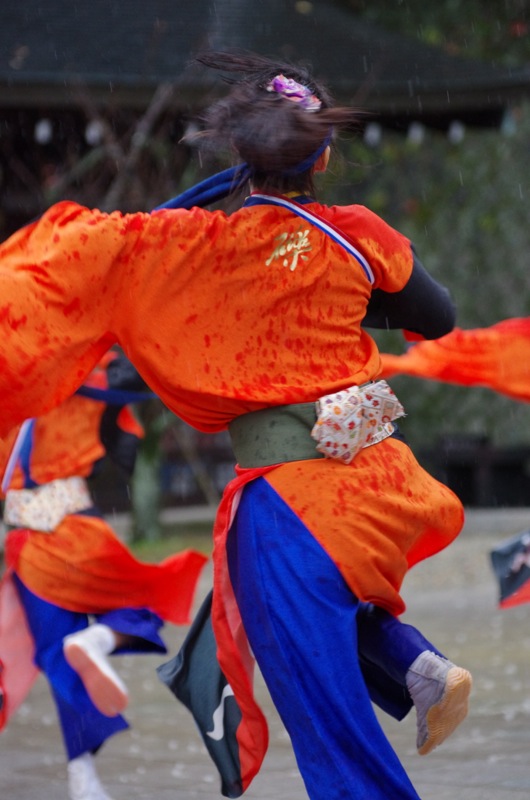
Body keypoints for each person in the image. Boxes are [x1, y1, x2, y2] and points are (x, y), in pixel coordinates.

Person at [0, 50, 471, 799]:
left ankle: (409, 663)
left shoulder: (194, 249)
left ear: (241, 153)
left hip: (287, 508)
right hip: (379, 491)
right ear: (321, 155)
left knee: (334, 739)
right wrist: (344, 299)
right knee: (304, 617)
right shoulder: (357, 233)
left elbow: (96, 268)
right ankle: (413, 658)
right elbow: (436, 315)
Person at [0, 351, 207, 800]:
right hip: (79, 528)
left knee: (57, 657)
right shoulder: (86, 364)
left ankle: (82, 778)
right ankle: (100, 640)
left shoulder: (13, 381)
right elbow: (132, 387)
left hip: (27, 545)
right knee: (149, 598)